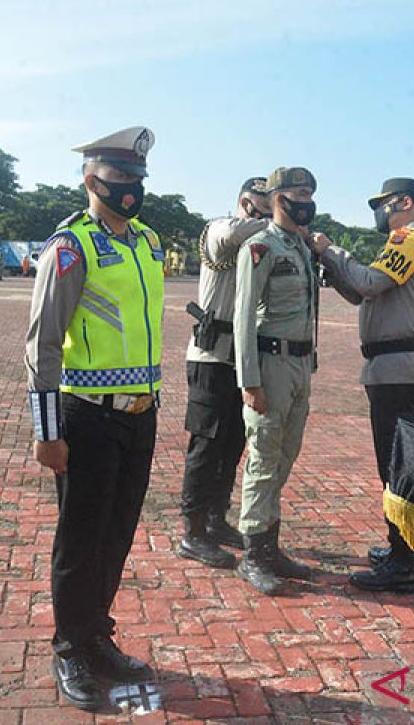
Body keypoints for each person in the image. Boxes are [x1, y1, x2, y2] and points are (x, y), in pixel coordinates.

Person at [24, 126, 162, 711]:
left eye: (135, 179)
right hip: (88, 418)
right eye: (118, 178)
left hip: (141, 413)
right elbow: (42, 344)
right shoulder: (71, 247)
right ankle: (70, 648)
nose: (128, 189)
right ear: (91, 178)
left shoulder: (149, 243)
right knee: (80, 540)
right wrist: (47, 431)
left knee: (117, 533)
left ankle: (96, 634)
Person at [310, 177, 414, 592]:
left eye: (383, 203)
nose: (380, 212)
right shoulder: (405, 242)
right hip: (396, 367)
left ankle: (403, 562)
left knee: (396, 466)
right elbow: (362, 293)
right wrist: (332, 264)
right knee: (398, 464)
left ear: (403, 202)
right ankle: (405, 550)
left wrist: (331, 250)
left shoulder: (410, 236)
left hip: (399, 369)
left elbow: (366, 283)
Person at [233, 167, 319, 596]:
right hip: (269, 365)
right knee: (264, 457)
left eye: (309, 193)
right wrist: (249, 381)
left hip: (301, 365)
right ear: (279, 197)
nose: (306, 200)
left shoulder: (301, 248)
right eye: (298, 193)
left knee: (286, 454)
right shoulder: (259, 247)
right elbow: (243, 317)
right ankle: (253, 555)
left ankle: (270, 545)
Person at [177, 177, 271, 568]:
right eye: (260, 206)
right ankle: (193, 531)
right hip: (210, 357)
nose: (266, 213)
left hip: (240, 359)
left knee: (232, 443)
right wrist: (277, 221)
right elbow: (233, 231)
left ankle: (216, 518)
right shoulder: (219, 229)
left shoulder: (259, 241)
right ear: (244, 203)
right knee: (206, 444)